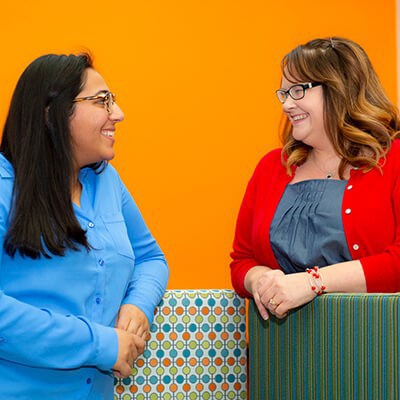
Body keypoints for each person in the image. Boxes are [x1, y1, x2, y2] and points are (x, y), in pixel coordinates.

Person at [0, 53, 169, 399]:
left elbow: (151, 258)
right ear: (52, 114)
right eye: (102, 101)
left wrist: (138, 304)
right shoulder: (4, 186)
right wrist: (101, 345)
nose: (118, 114)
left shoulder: (108, 182)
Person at [230, 37, 400, 321]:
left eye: (298, 90)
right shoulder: (271, 167)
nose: (286, 105)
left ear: (339, 89)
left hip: (376, 345)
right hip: (284, 354)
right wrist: (260, 280)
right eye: (283, 93)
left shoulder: (393, 161)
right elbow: (242, 261)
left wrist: (312, 283)